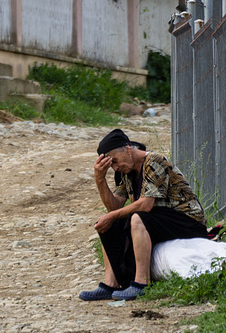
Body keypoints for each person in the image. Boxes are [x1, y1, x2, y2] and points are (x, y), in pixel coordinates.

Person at [80, 129, 209, 301]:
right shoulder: (126, 172)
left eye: (116, 161)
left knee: (136, 217)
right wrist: (100, 180)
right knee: (109, 224)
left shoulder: (154, 160)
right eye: (112, 166)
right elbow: (114, 206)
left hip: (188, 221)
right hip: (160, 221)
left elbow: (146, 205)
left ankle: (141, 283)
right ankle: (111, 284)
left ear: (128, 149)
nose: (116, 167)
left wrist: (112, 216)